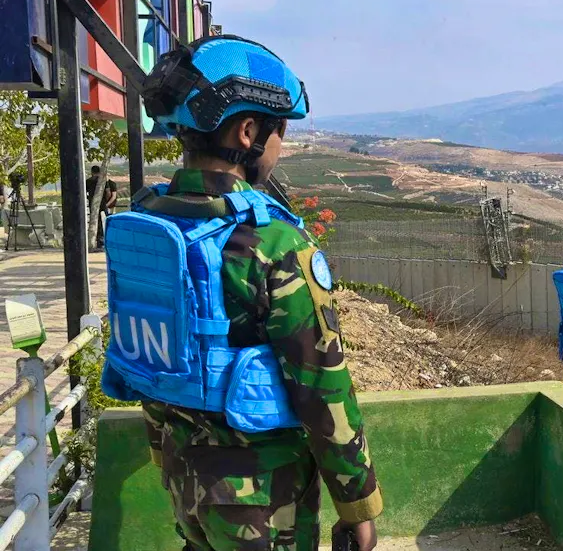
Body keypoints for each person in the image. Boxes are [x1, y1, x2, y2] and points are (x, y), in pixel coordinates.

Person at [100, 35, 382, 551]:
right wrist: (357, 505)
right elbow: (323, 388)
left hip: (184, 479)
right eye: (279, 132)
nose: (280, 146)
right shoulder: (273, 243)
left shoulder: (150, 226)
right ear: (249, 131)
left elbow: (149, 355)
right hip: (263, 498)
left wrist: (167, 455)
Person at [85, 165, 117, 248]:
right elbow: (108, 192)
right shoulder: (102, 181)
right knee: (106, 222)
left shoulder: (88, 181)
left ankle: (98, 241)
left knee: (96, 222)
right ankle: (107, 240)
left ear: (92, 172)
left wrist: (90, 198)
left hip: (93, 205)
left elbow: (84, 193)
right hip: (103, 204)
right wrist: (105, 201)